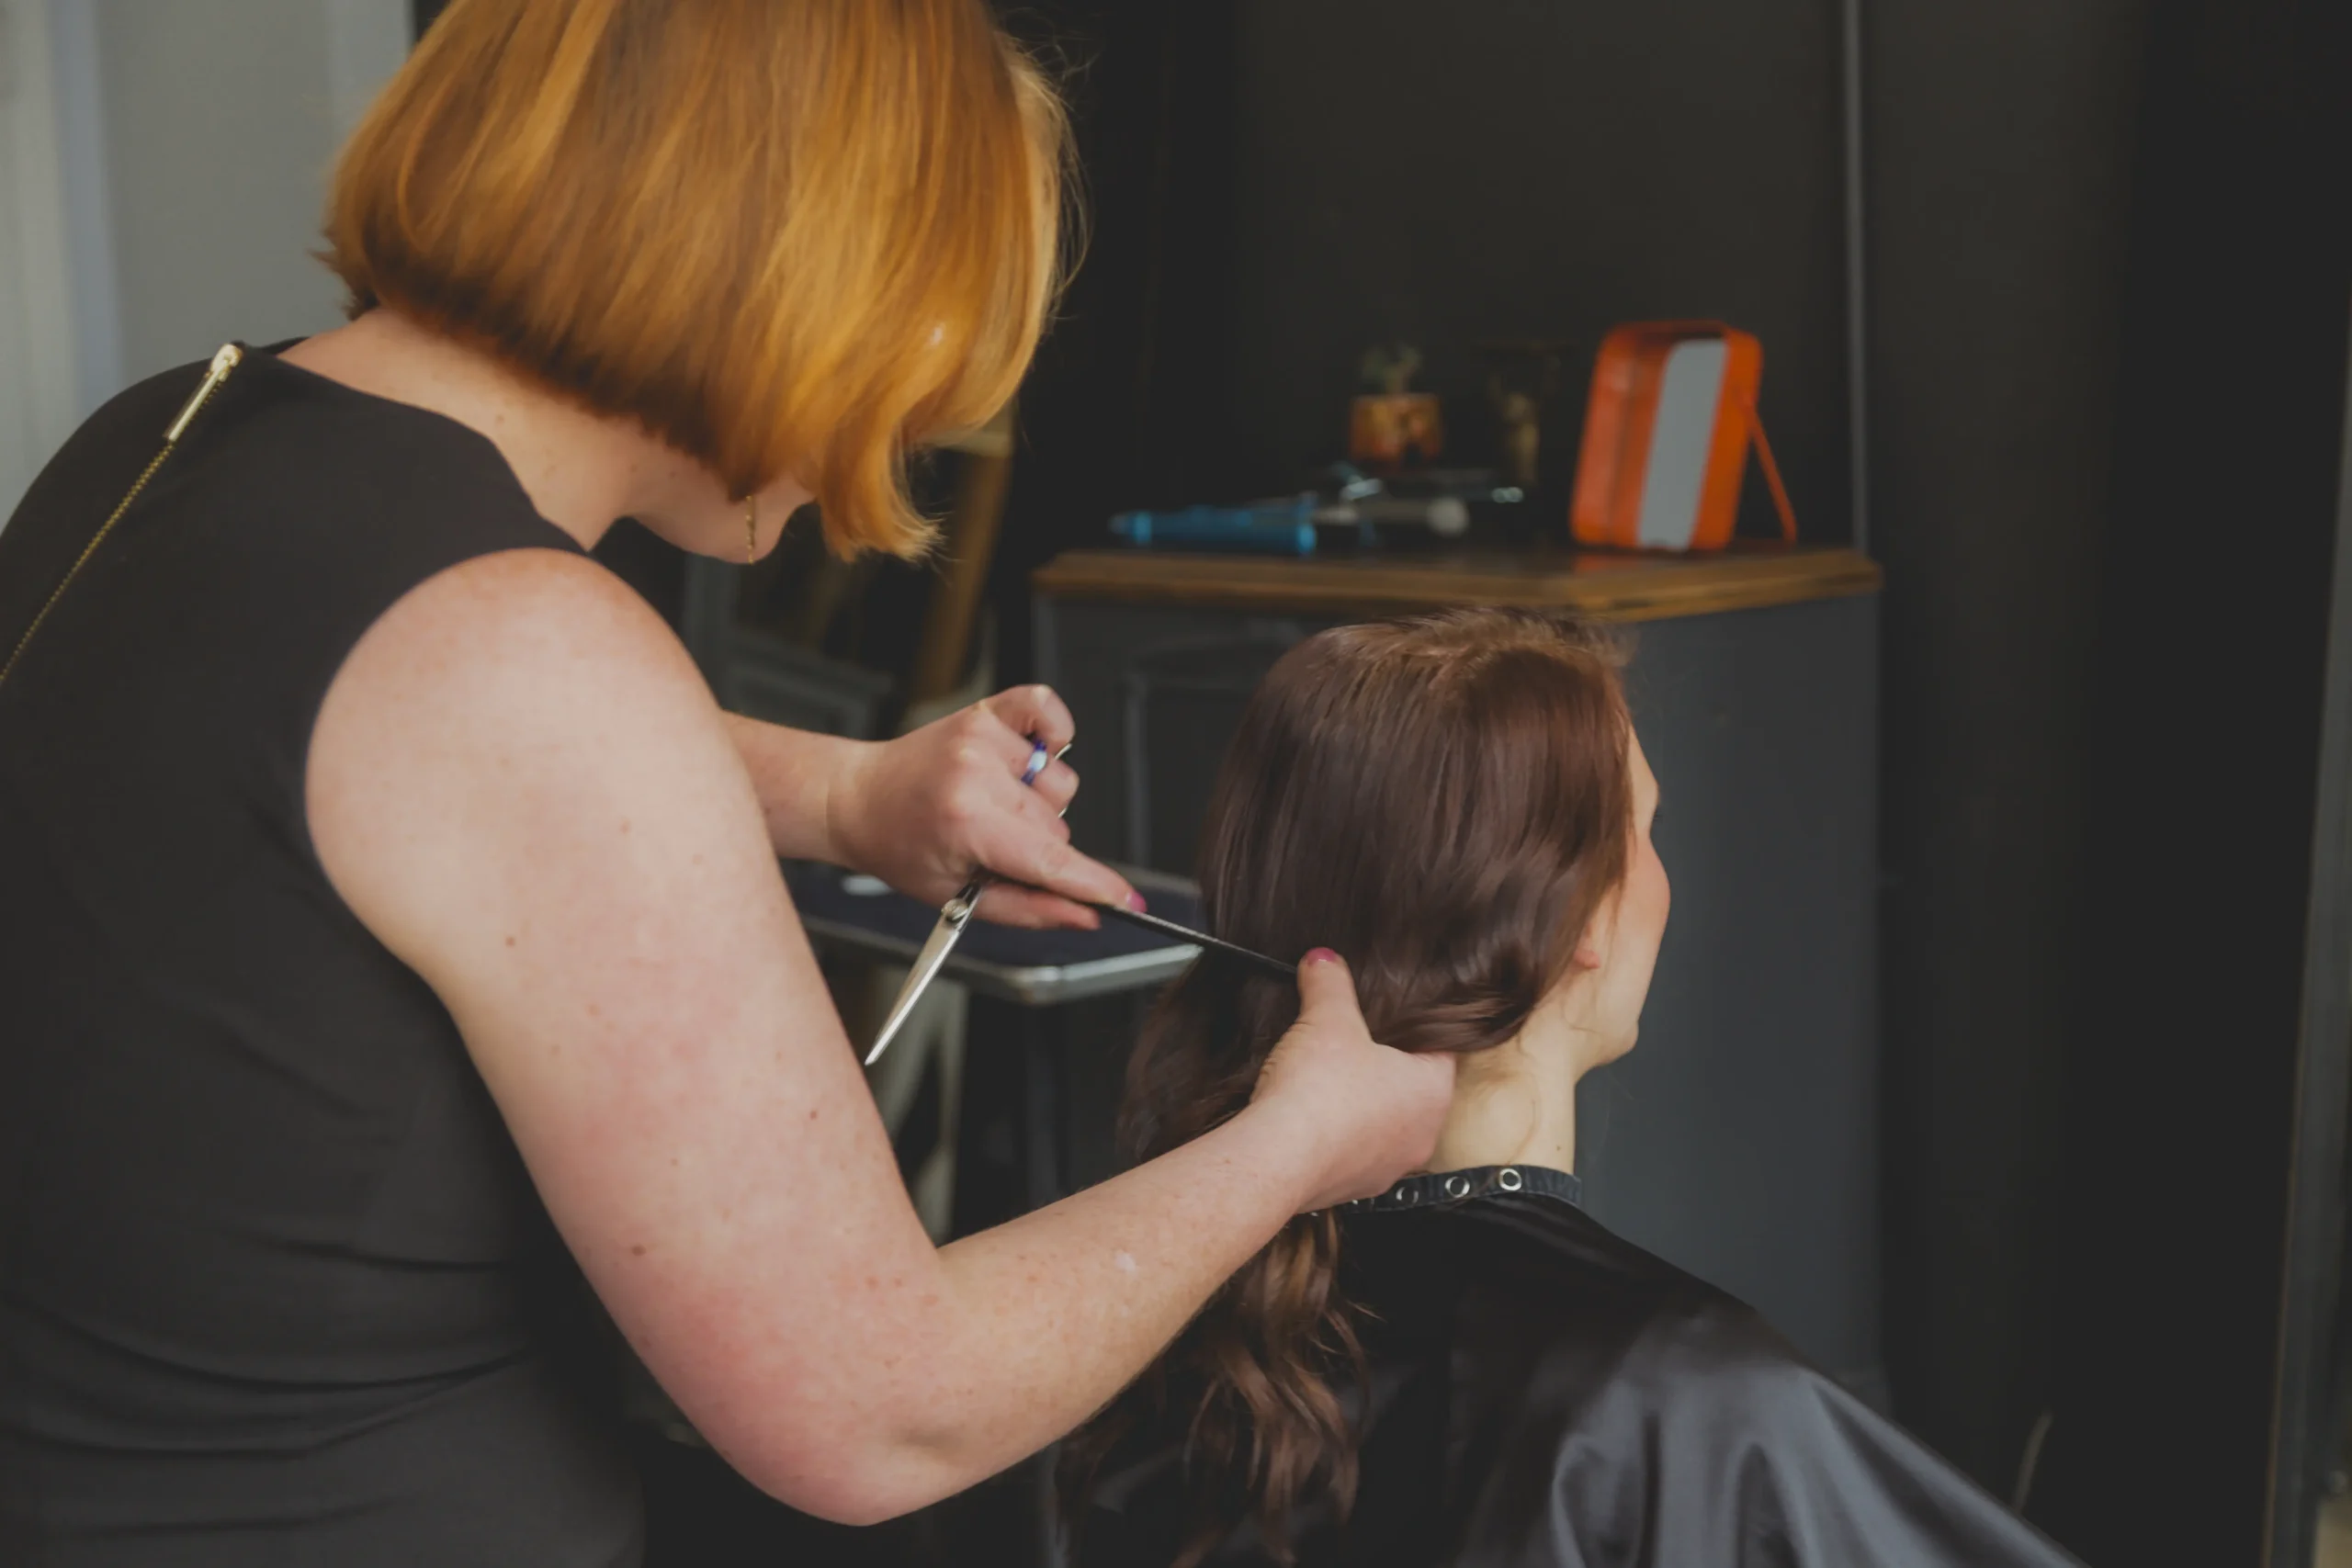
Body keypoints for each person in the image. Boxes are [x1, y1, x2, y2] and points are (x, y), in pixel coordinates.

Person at [0, 3, 1454, 1562]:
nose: (902, 420)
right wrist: (1291, 1149)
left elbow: (321, 770)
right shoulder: (531, 657)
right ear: (789, 270)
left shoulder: (169, 432)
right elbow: (883, 1406)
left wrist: (845, 796)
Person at [1062, 610, 2080, 1568]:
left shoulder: (1152, 1346)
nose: (1660, 874)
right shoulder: (1680, 1391)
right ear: (1576, 924)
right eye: (1643, 831)